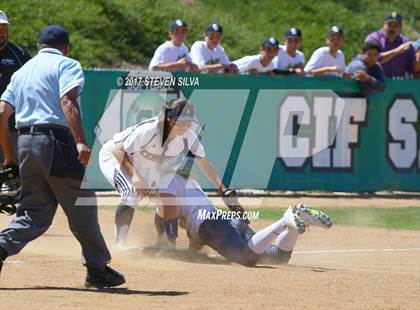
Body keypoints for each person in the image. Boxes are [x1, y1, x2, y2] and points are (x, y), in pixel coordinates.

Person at [0, 25, 125, 288]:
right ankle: (97, 269)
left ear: (38, 46)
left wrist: (9, 156)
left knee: (34, 213)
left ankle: (1, 246)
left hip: (25, 143)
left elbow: (2, 113)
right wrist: (80, 142)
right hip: (55, 141)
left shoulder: (22, 71)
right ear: (65, 47)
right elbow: (68, 102)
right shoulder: (67, 65)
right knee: (82, 206)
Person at [99, 98, 239, 248]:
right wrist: (135, 175)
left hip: (145, 166)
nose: (185, 126)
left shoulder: (189, 137)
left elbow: (204, 163)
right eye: (181, 121)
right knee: (131, 191)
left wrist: (222, 188)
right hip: (115, 158)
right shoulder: (149, 130)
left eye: (188, 121)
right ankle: (120, 243)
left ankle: (161, 242)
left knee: (167, 194)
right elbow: (118, 150)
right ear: (169, 118)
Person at [155, 202, 332, 266]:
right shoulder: (191, 188)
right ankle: (295, 219)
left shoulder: (173, 199)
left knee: (246, 257)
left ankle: (284, 221)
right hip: (229, 221)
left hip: (213, 225)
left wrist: (169, 250)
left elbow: (194, 245)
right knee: (278, 257)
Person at [0, 11, 31, 163]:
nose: (1, 32)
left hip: (12, 127)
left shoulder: (20, 54)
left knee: (14, 173)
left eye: (4, 28)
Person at [364, 12, 415, 78]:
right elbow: (371, 60)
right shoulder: (373, 38)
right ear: (384, 24)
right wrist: (396, 51)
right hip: (376, 84)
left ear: (400, 27)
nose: (392, 28)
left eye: (396, 25)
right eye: (390, 24)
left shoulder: (406, 42)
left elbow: (413, 69)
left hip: (399, 86)